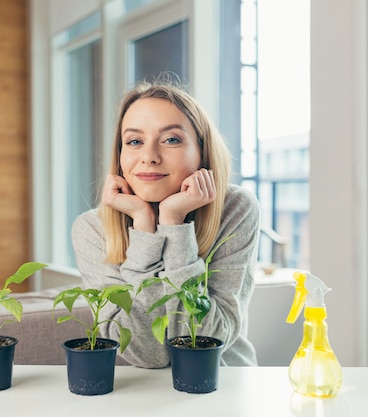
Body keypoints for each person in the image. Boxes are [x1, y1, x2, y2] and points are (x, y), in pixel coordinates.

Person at [71, 78, 260, 368]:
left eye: (171, 140)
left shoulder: (235, 209)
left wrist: (174, 225)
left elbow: (209, 339)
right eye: (134, 141)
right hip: (139, 395)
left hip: (225, 389)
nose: (148, 157)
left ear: (202, 152)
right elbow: (147, 354)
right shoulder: (92, 229)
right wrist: (144, 228)